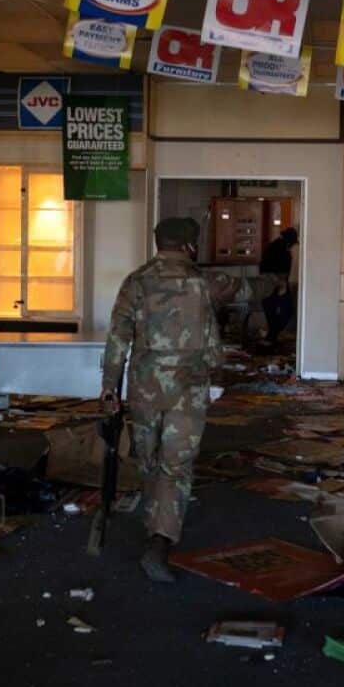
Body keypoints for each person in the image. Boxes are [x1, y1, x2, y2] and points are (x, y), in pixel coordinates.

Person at [101, 218, 246, 582]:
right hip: (188, 387)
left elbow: (118, 337)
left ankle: (153, 521)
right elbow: (221, 330)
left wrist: (109, 387)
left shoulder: (136, 281)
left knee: (148, 458)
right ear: (190, 245)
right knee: (176, 464)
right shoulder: (204, 282)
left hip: (144, 386)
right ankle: (160, 541)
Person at [258, 227, 298, 348]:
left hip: (266, 283)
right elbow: (283, 269)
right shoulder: (282, 249)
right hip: (275, 282)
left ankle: (271, 337)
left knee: (271, 312)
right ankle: (271, 337)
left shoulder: (273, 246)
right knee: (287, 310)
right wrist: (282, 283)